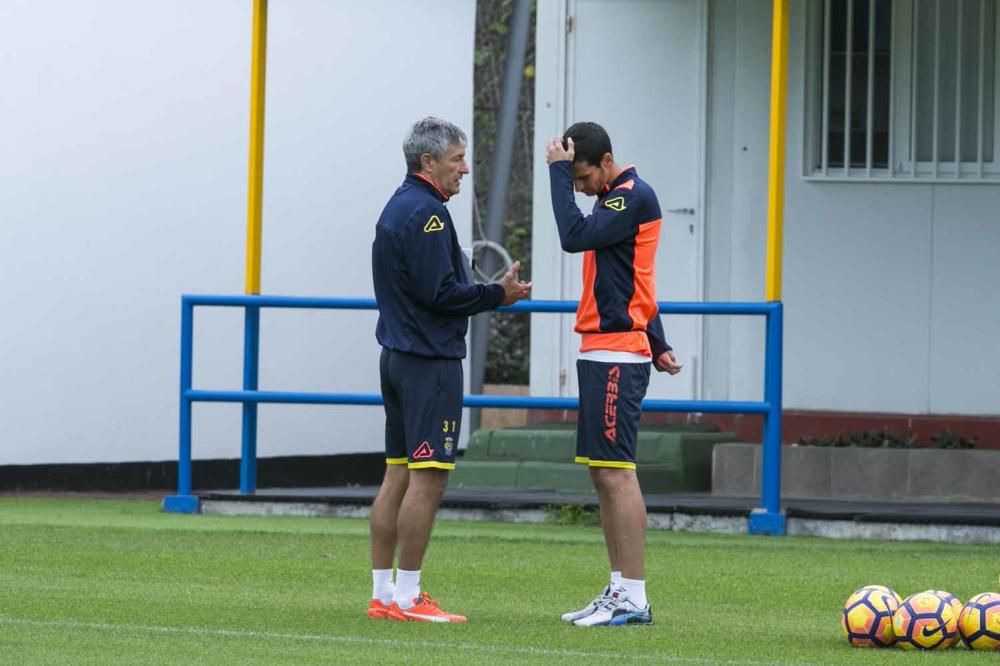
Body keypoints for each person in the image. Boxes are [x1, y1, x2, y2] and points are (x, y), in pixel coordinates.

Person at [368, 117, 532, 623]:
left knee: (397, 472)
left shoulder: (398, 207)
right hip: (428, 363)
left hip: (396, 357)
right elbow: (439, 294)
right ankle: (411, 597)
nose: (465, 168)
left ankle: (384, 594)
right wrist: (496, 295)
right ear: (428, 163)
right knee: (429, 477)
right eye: (458, 159)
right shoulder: (428, 215)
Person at [545, 121, 682, 627]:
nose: (579, 189)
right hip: (604, 348)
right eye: (574, 182)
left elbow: (572, 237)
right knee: (602, 474)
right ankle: (619, 587)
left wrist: (557, 173)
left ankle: (636, 598)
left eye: (582, 178)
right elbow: (631, 278)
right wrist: (661, 341)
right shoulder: (611, 200)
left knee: (617, 473)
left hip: (620, 352)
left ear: (606, 162)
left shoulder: (631, 196)